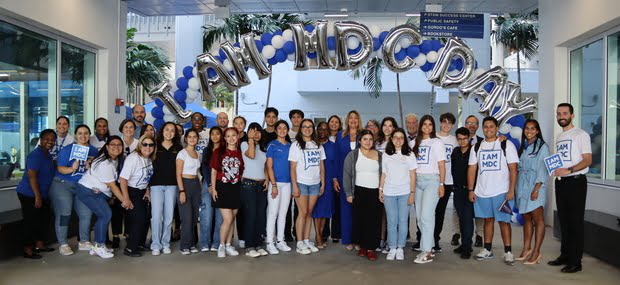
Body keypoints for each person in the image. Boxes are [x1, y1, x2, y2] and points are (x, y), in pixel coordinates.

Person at [467, 116, 519, 265]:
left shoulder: (506, 145)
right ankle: (487, 249)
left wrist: (511, 190)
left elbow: (513, 169)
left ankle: (508, 251)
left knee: (504, 221)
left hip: (502, 191)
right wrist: (471, 190)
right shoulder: (477, 147)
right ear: (482, 129)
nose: (488, 129)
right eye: (486, 127)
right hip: (482, 192)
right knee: (487, 221)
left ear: (496, 128)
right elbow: (472, 169)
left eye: (491, 126)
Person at [548, 103, 592, 273]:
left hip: (575, 182)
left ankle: (576, 261)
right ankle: (565, 255)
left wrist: (569, 169)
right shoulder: (560, 136)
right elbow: (563, 159)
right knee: (564, 221)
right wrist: (555, 169)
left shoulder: (581, 134)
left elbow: (587, 160)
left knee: (575, 222)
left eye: (565, 113)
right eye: (558, 113)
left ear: (572, 115)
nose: (561, 116)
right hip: (561, 182)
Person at [75, 136, 129, 259]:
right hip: (88, 190)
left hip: (97, 192)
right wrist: (125, 201)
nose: (116, 147)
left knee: (104, 215)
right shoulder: (104, 163)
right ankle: (99, 245)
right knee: (105, 214)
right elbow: (113, 186)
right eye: (113, 144)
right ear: (107, 147)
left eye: (119, 145)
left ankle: (98, 246)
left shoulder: (114, 160)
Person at [49, 124, 98, 256]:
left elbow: (97, 171)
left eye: (86, 133)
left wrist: (90, 166)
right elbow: (60, 168)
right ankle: (63, 244)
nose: (83, 136)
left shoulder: (93, 151)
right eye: (80, 133)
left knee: (86, 214)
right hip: (63, 184)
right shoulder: (67, 149)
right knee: (65, 213)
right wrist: (72, 169)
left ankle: (84, 241)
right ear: (75, 135)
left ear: (89, 135)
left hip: (82, 186)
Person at [16, 129, 56, 259]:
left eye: (52, 140)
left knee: (44, 218)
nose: (50, 142)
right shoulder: (35, 155)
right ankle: (27, 249)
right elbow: (32, 177)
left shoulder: (47, 155)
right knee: (30, 221)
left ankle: (40, 244)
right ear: (41, 139)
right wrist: (37, 196)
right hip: (29, 193)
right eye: (47, 139)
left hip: (42, 194)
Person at [411, 115, 446, 264]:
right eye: (424, 124)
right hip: (417, 181)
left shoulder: (437, 142)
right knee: (420, 218)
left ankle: (427, 252)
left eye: (430, 124)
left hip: (432, 181)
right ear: (420, 126)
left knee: (426, 216)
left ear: (433, 127)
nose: (427, 127)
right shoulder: (414, 143)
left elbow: (442, 165)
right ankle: (429, 246)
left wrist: (442, 184)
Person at [343, 129, 382, 261]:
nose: (368, 142)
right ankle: (362, 247)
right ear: (359, 141)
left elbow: (384, 174)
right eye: (365, 139)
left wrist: (382, 191)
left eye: (370, 139)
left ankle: (371, 248)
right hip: (358, 192)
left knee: (374, 221)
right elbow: (347, 175)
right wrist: (349, 193)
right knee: (360, 220)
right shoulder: (353, 155)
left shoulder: (380, 155)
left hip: (375, 192)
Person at [379, 128, 417, 261]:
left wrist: (412, 193)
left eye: (401, 137)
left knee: (402, 221)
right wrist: (380, 189)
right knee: (392, 221)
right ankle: (392, 247)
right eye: (396, 137)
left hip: (405, 192)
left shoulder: (409, 154)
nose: (398, 139)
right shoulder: (386, 154)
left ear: (404, 140)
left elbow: (413, 175)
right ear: (392, 139)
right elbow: (384, 173)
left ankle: (400, 247)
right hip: (389, 192)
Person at [515, 119, 550, 265]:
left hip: (536, 186)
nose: (529, 131)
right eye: (527, 129)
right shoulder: (524, 146)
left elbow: (543, 169)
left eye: (532, 129)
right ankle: (526, 248)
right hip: (522, 186)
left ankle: (536, 252)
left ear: (537, 131)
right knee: (527, 218)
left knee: (538, 219)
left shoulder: (542, 147)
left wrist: (536, 189)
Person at [290, 119, 325, 255]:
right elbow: (292, 167)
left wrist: (323, 182)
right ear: (301, 129)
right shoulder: (296, 145)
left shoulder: (318, 145)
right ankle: (299, 242)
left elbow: (321, 165)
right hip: (302, 183)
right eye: (304, 126)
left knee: (310, 213)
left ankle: (306, 240)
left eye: (310, 126)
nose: (307, 129)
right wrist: (295, 186)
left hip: (315, 184)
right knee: (303, 212)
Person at [149, 122, 182, 256]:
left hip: (172, 185)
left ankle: (165, 243)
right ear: (162, 131)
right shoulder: (154, 146)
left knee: (169, 216)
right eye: (167, 130)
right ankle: (155, 244)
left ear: (175, 133)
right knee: (156, 216)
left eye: (172, 130)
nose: (169, 132)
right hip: (156, 185)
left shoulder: (178, 148)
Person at [210, 127, 244, 258]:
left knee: (232, 219)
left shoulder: (240, 153)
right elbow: (213, 172)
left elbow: (242, 171)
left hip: (236, 188)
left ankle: (229, 245)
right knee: (227, 218)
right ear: (224, 138)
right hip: (222, 187)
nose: (231, 138)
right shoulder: (218, 152)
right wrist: (213, 189)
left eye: (233, 135)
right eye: (228, 136)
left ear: (237, 137)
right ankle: (221, 245)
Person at [120, 134, 155, 257]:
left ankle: (139, 244)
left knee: (145, 218)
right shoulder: (133, 158)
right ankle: (130, 248)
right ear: (140, 145)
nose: (148, 147)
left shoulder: (149, 159)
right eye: (145, 144)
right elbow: (123, 179)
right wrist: (126, 198)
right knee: (138, 219)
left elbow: (147, 178)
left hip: (142, 191)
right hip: (131, 191)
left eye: (151, 145)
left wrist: (147, 190)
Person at [239, 123, 268, 258]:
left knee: (260, 215)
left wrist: (267, 179)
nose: (256, 134)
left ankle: (258, 244)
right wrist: (250, 139)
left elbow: (266, 166)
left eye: (258, 132)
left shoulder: (263, 148)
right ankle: (249, 246)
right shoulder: (245, 144)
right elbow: (251, 155)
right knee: (251, 215)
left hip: (261, 185)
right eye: (253, 131)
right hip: (248, 184)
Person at [335, 110, 362, 251]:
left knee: (358, 211)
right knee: (346, 210)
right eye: (350, 118)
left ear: (359, 120)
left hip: (362, 178)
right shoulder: (340, 136)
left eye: (355, 118)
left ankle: (358, 239)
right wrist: (335, 178)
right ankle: (347, 239)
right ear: (347, 120)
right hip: (343, 177)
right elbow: (336, 158)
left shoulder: (363, 135)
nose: (353, 120)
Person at [265, 120, 293, 255]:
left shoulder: (291, 146)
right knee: (273, 213)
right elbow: (269, 166)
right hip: (275, 184)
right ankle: (270, 242)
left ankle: (280, 241)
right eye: (279, 128)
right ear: (276, 131)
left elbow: (293, 167)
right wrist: (274, 185)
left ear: (287, 130)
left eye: (284, 128)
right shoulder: (272, 145)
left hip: (288, 184)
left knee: (283, 214)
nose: (282, 130)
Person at [433, 112, 459, 251]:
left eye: (449, 122)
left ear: (453, 125)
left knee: (440, 212)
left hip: (447, 181)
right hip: (432, 180)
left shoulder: (455, 140)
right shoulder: (433, 137)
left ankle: (435, 240)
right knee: (427, 212)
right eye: (444, 121)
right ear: (440, 122)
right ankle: (423, 239)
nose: (446, 125)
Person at [176, 129, 202, 255]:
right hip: (184, 184)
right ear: (185, 139)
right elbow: (178, 174)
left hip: (195, 184)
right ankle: (184, 245)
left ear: (197, 139)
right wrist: (181, 190)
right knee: (186, 217)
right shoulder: (182, 154)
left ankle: (191, 244)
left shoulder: (198, 154)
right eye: (189, 137)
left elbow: (197, 172)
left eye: (194, 137)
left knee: (194, 216)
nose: (192, 139)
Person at [199, 127, 224, 252]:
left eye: (217, 134)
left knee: (220, 215)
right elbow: (204, 168)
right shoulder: (206, 150)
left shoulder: (224, 150)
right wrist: (209, 184)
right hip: (207, 184)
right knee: (206, 214)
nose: (215, 136)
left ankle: (216, 242)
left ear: (221, 135)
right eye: (212, 134)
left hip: (221, 184)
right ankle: (204, 242)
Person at [451, 127, 475, 259]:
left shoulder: (474, 151)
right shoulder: (455, 152)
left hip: (469, 190)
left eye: (464, 138)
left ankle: (467, 247)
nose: (462, 141)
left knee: (467, 219)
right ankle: (464, 244)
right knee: (461, 218)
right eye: (459, 139)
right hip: (458, 190)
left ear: (469, 138)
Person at [312, 122, 337, 249]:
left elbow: (335, 164)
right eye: (320, 129)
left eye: (325, 129)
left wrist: (334, 179)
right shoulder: (312, 145)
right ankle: (317, 236)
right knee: (317, 211)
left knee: (325, 211)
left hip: (328, 181)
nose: (322, 131)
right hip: (314, 179)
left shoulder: (333, 146)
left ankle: (320, 234)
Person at [465, 114, 484, 247]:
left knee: (479, 208)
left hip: (479, 180)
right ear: (465, 124)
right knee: (460, 210)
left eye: (474, 123)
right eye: (469, 123)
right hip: (461, 180)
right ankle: (457, 234)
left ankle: (479, 235)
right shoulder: (459, 139)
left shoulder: (483, 141)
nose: (471, 125)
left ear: (478, 126)